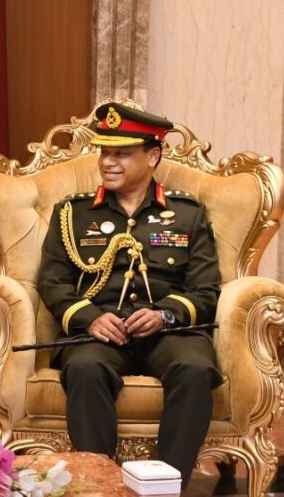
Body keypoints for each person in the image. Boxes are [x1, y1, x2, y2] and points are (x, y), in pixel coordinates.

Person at [38, 104, 222, 486]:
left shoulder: (187, 214)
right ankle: (100, 487)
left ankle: (167, 487)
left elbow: (205, 290)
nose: (108, 162)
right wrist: (90, 318)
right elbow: (52, 282)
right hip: (101, 331)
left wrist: (164, 315)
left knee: (195, 368)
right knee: (85, 367)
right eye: (104, 152)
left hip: (168, 332)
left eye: (121, 153)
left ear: (152, 156)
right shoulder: (72, 213)